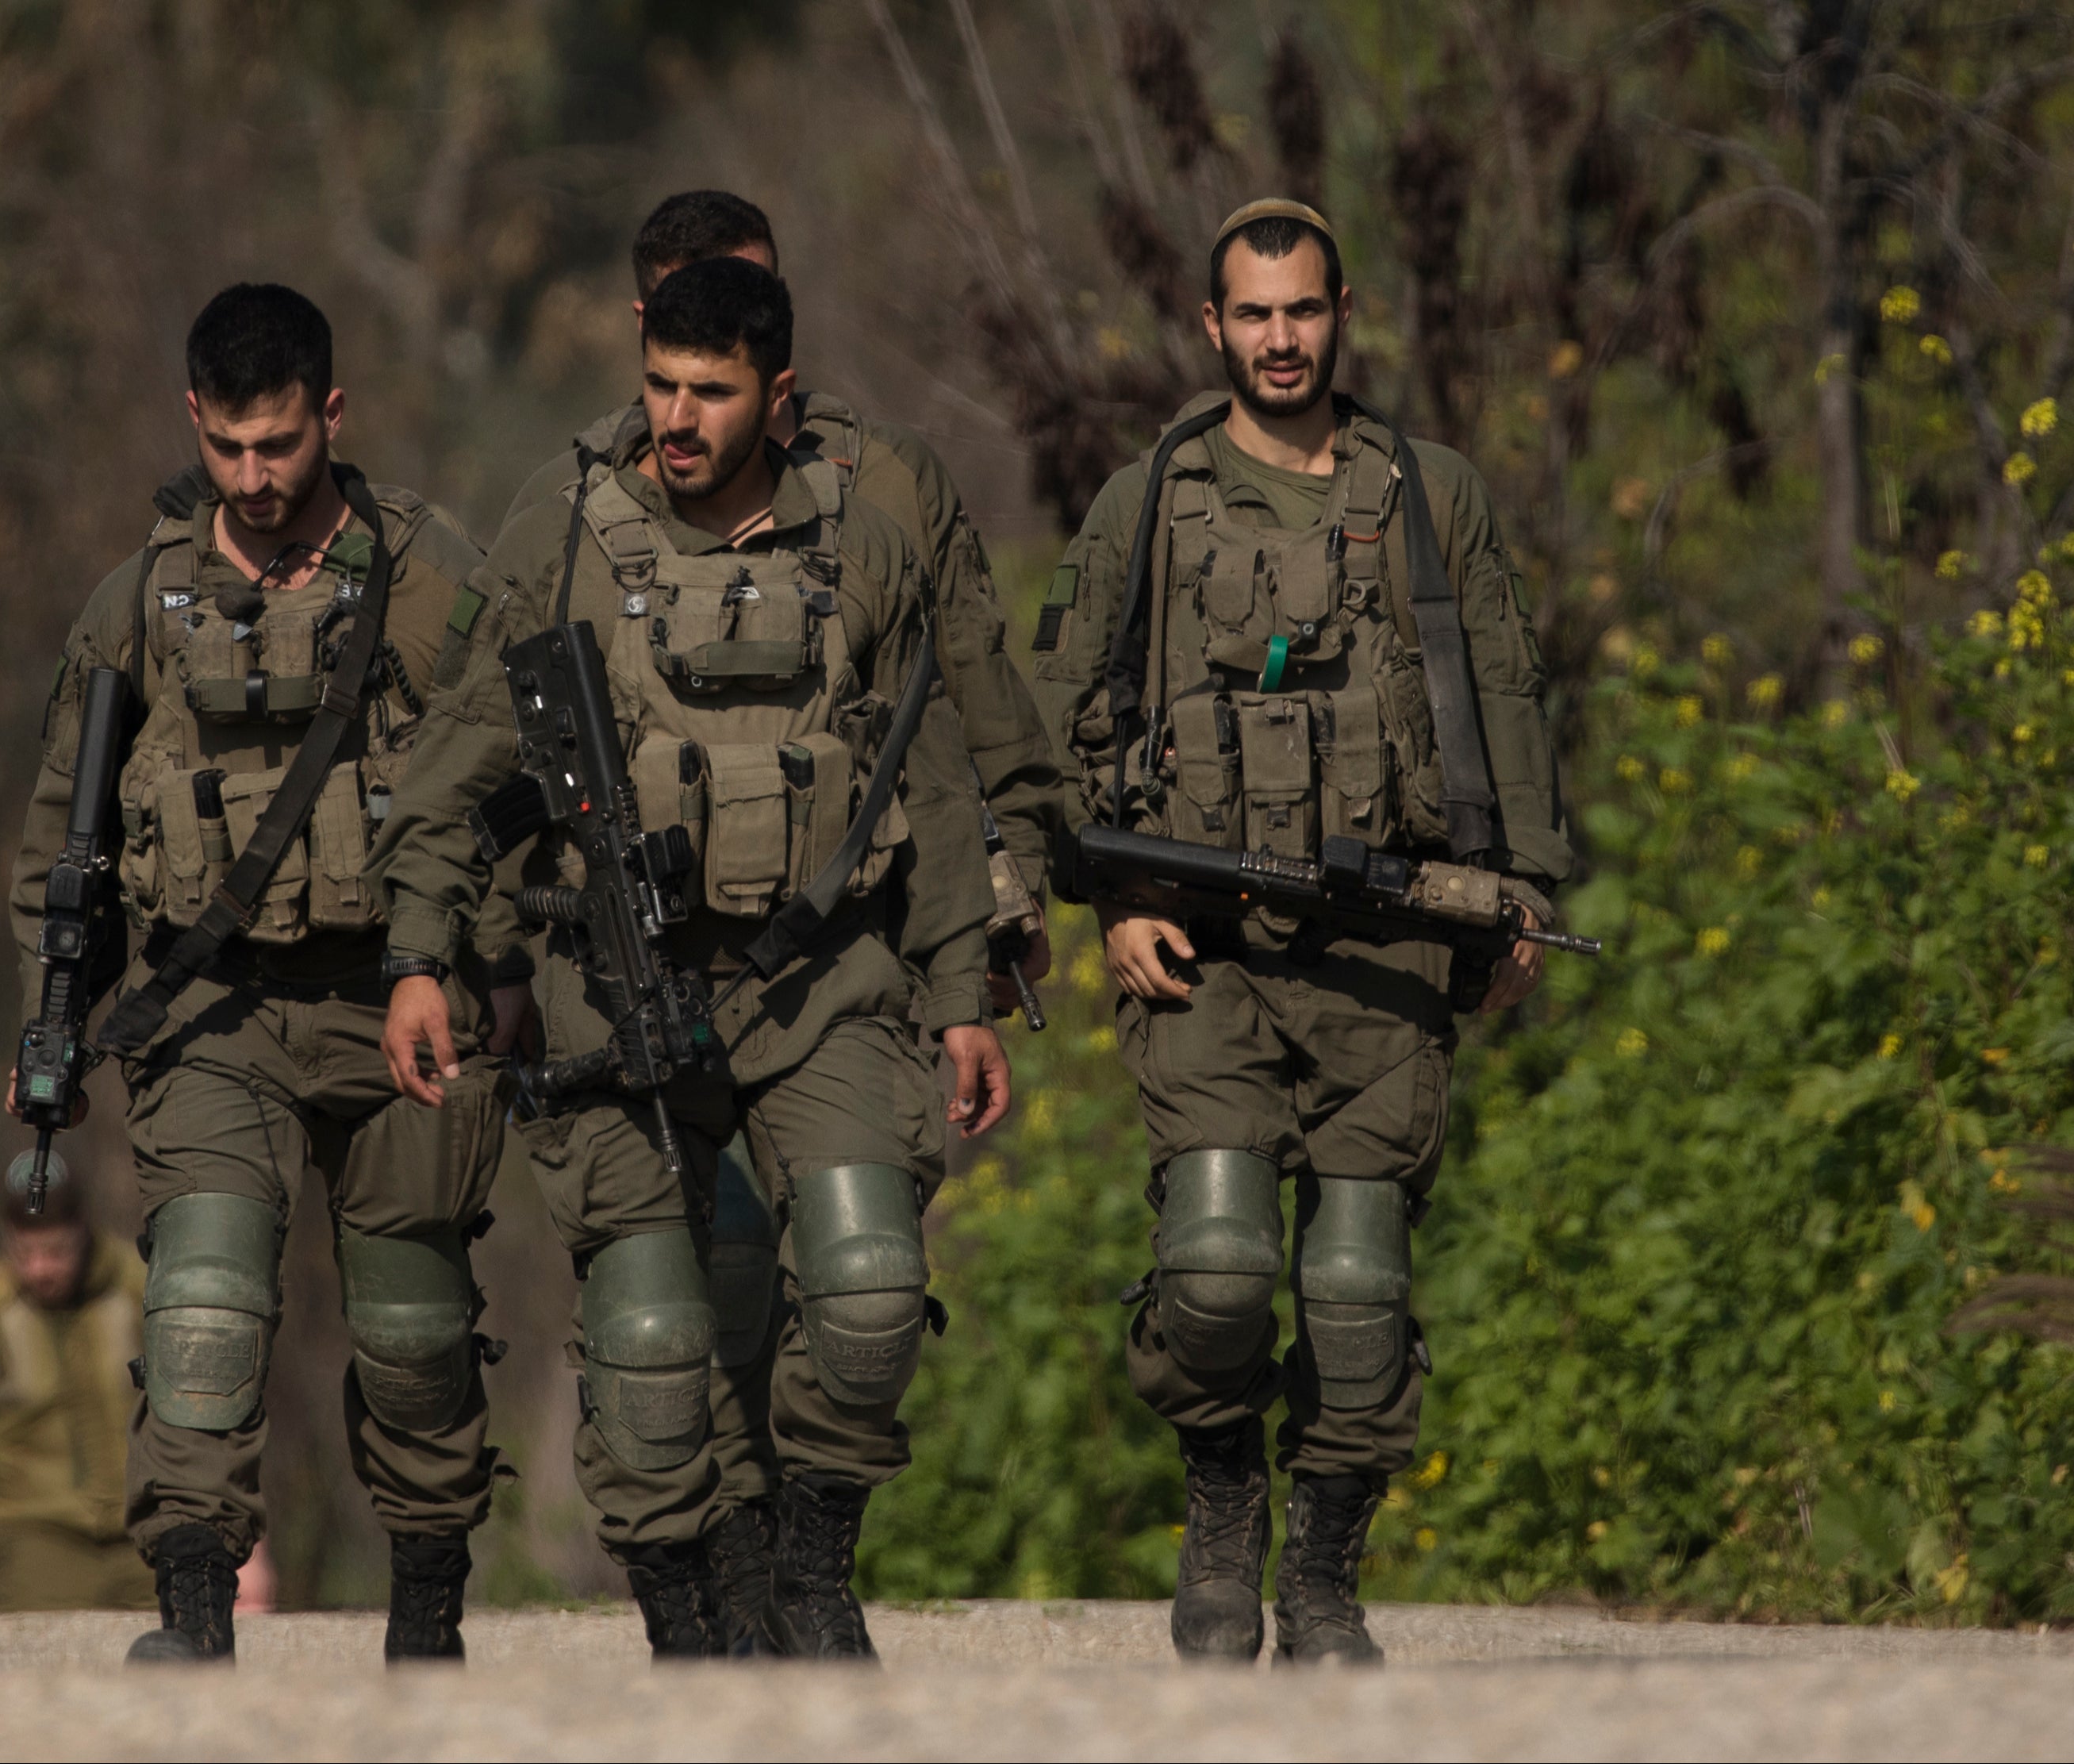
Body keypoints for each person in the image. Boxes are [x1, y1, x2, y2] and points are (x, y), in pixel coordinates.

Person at [375, 256, 1012, 1660]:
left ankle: (808, 1563)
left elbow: (943, 781)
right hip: (607, 989)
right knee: (655, 1348)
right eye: (659, 384)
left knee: (866, 1287)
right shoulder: (566, 537)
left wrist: (965, 993)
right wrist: (422, 956)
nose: (676, 415)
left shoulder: (870, 539)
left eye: (710, 392)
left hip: (823, 985)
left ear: (778, 397)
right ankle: (691, 1619)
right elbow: (450, 771)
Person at [1031, 200, 1574, 1666]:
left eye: (1304, 311)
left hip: (1383, 944)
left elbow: (1504, 701)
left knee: (1355, 1286)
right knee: (1216, 1267)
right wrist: (1113, 900)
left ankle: (1325, 1568)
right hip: (1200, 950)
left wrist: (1518, 889)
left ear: (1347, 313)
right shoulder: (1146, 497)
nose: (1282, 339)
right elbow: (1056, 721)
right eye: (1253, 315)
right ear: (1214, 329)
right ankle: (1221, 1493)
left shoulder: (1427, 492)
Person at [6, 282, 513, 1664]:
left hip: (399, 1004)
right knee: (205, 1304)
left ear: (332, 415)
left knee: (415, 1331)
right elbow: (71, 834)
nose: (256, 476)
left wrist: (488, 972)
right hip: (212, 1012)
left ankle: (426, 1609)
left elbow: (514, 794)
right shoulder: (142, 606)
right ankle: (189, 1608)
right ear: (194, 422)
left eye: (280, 444)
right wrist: (53, 1013)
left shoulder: (428, 578)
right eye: (229, 448)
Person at [0, 1151, 147, 1616]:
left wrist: (248, 1556)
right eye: (24, 1253)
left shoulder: (142, 1291)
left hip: (151, 1530)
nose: (40, 1269)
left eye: (57, 1251)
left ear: (85, 1229)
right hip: (37, 1542)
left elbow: (211, 1419)